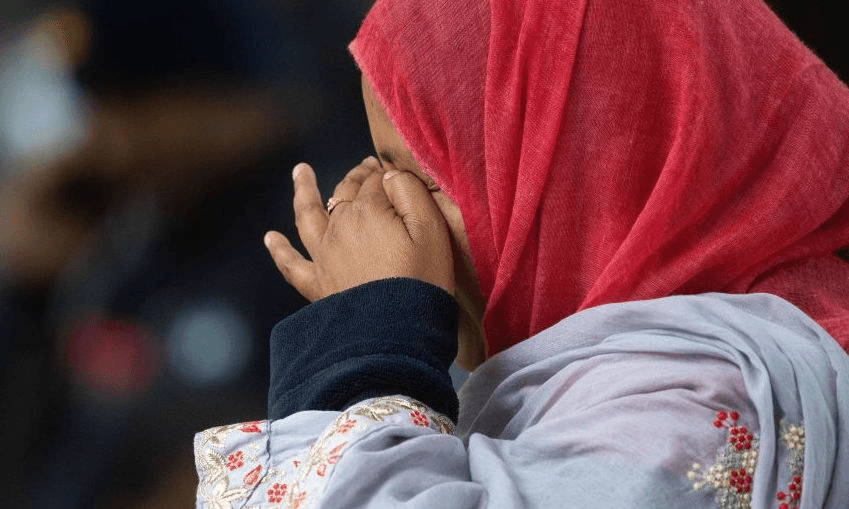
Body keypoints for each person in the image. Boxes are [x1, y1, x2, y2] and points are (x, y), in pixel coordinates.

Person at [193, 0, 849, 507]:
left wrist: (362, 353)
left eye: (420, 176)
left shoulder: (707, 405)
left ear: (582, 177)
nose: (375, 208)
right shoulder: (631, 369)